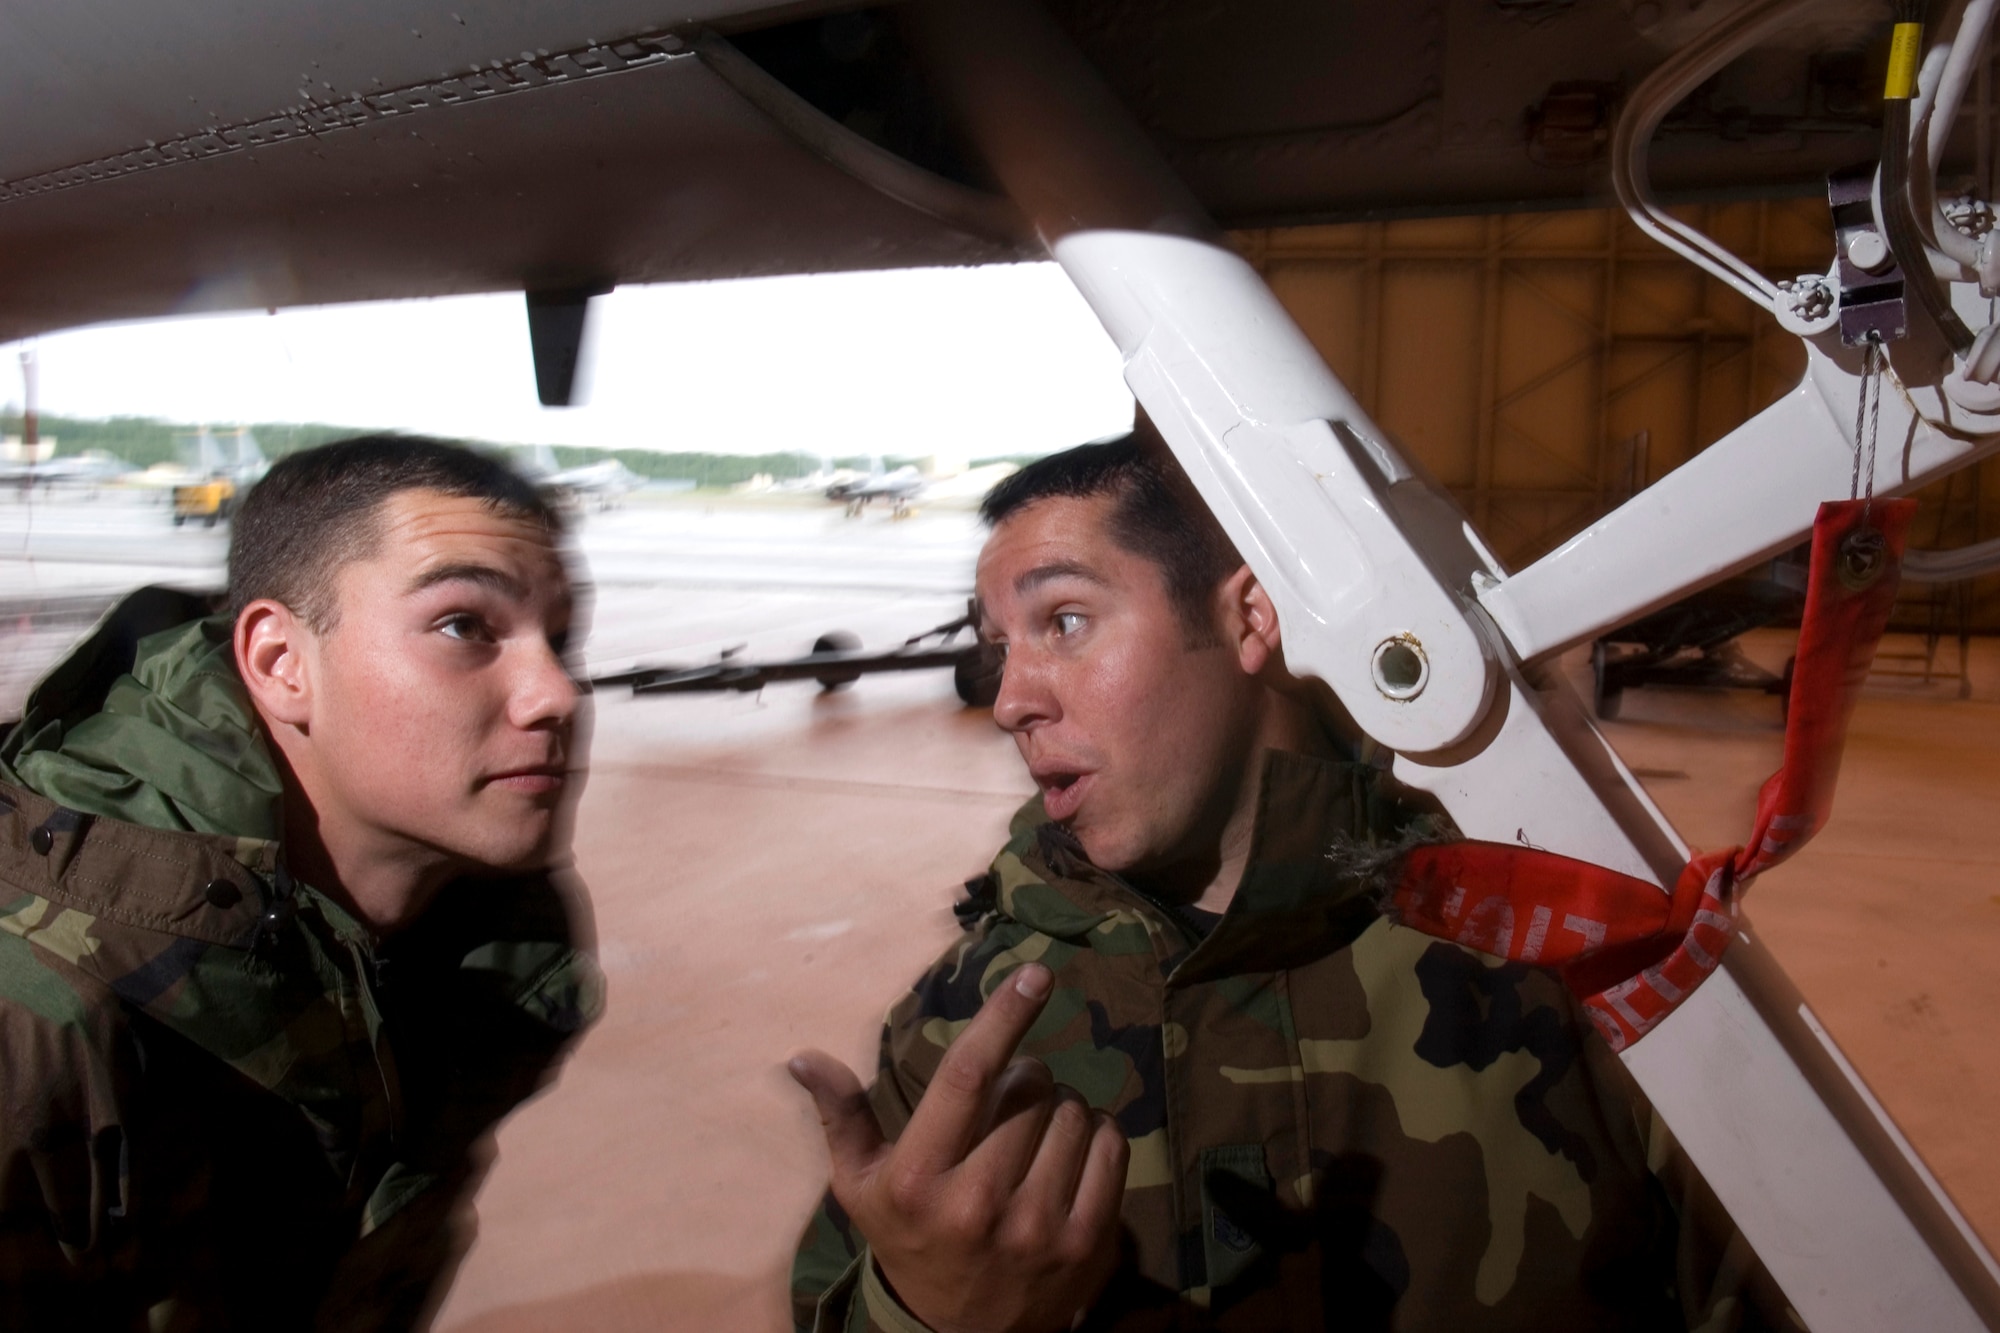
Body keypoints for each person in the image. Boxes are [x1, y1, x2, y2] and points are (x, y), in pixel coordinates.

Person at [789, 430, 1775, 1331]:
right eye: (996, 644)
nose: (1008, 698)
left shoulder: (1562, 958)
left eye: (1065, 620)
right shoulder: (962, 1027)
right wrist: (925, 1314)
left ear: (1247, 615)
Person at [0, 437, 603, 1331]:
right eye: (463, 625)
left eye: (561, 639)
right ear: (282, 662)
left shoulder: (477, 945)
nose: (556, 693)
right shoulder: (41, 1020)